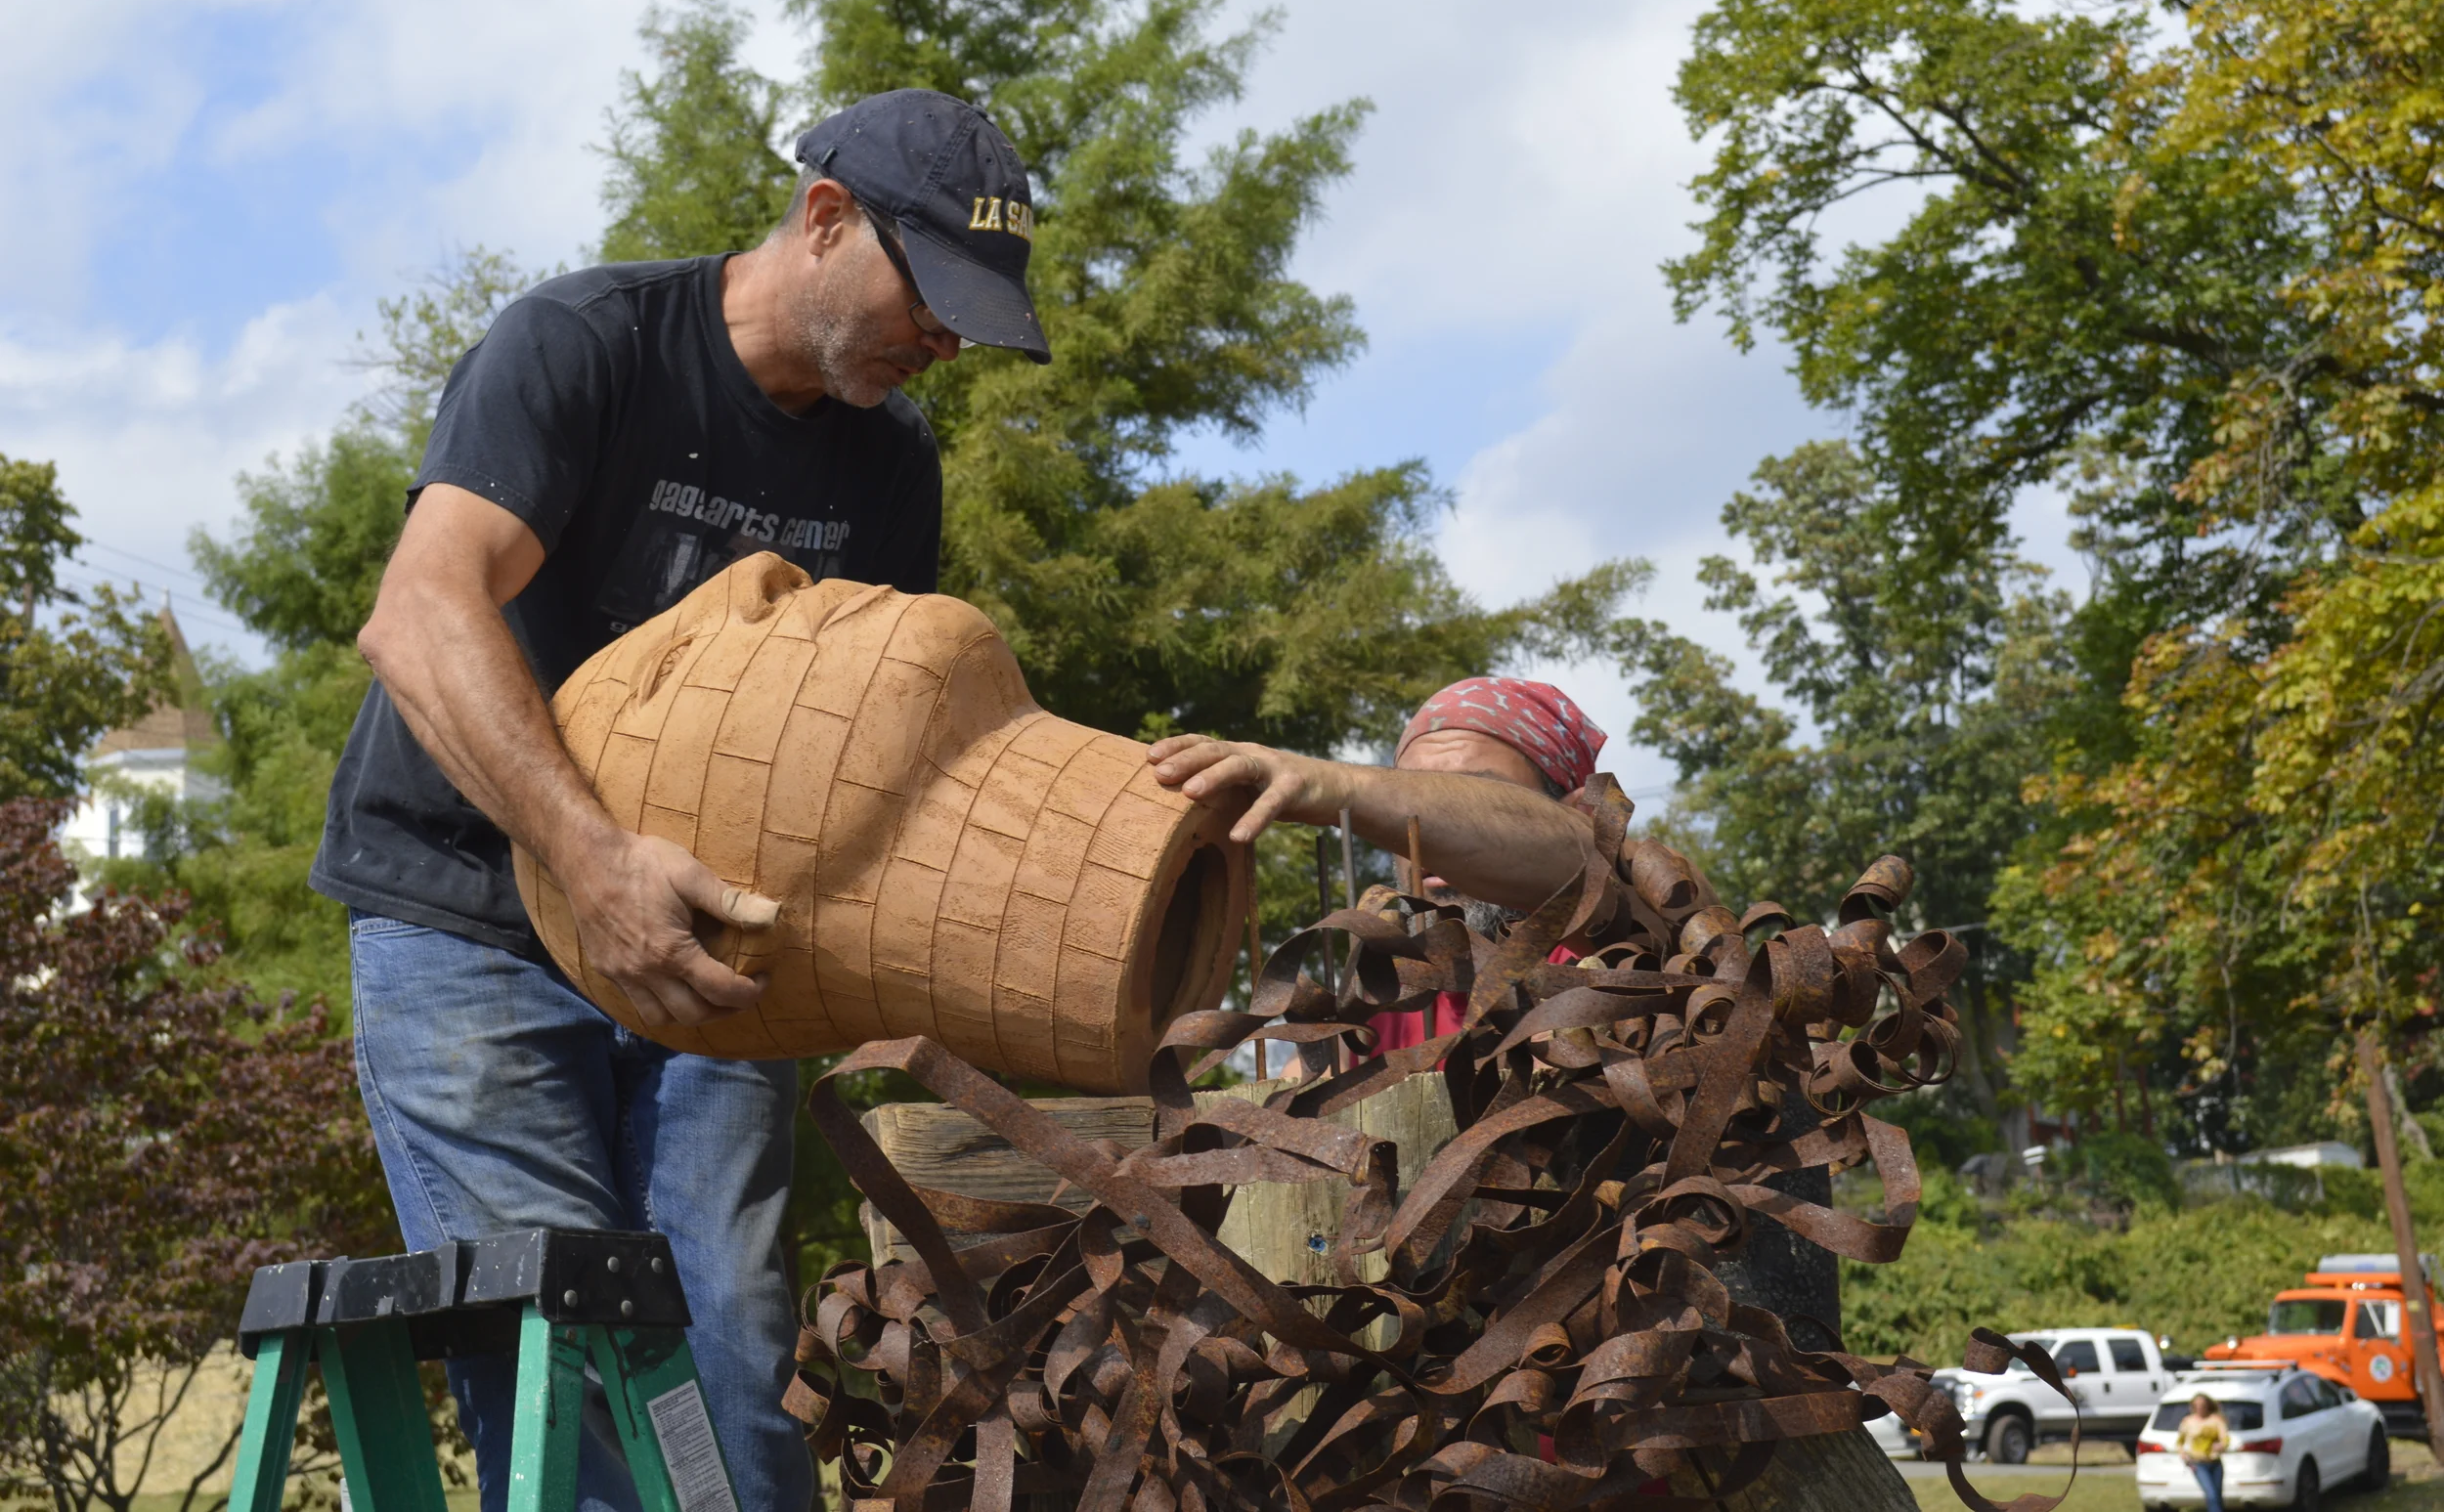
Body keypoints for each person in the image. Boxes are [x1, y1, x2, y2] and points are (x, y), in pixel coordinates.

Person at [310, 89, 1051, 1512]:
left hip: (707, 950)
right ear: (826, 218)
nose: (948, 340)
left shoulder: (890, 464)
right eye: (933, 294)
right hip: (466, 921)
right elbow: (419, 614)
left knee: (735, 1371)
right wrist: (590, 861)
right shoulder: (587, 346)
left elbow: (847, 748)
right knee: (568, 1366)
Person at [1147, 675, 1611, 1058]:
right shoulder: (1379, 1010)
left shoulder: (1622, 952)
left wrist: (1337, 784)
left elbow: (1583, 857)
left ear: (1581, 816)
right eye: (1411, 799)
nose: (1429, 833)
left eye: (1468, 801)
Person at [2176, 1393, 2230, 1512]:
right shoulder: (2188, 1422)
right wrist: (2183, 1454)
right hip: (2198, 1463)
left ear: (2208, 1406)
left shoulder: (2216, 1420)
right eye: (2197, 1405)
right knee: (2211, 1494)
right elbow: (2179, 1442)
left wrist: (2221, 1445)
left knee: (2217, 1496)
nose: (2200, 1408)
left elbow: (2225, 1438)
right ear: (2193, 1407)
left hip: (2215, 1463)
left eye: (2203, 1405)